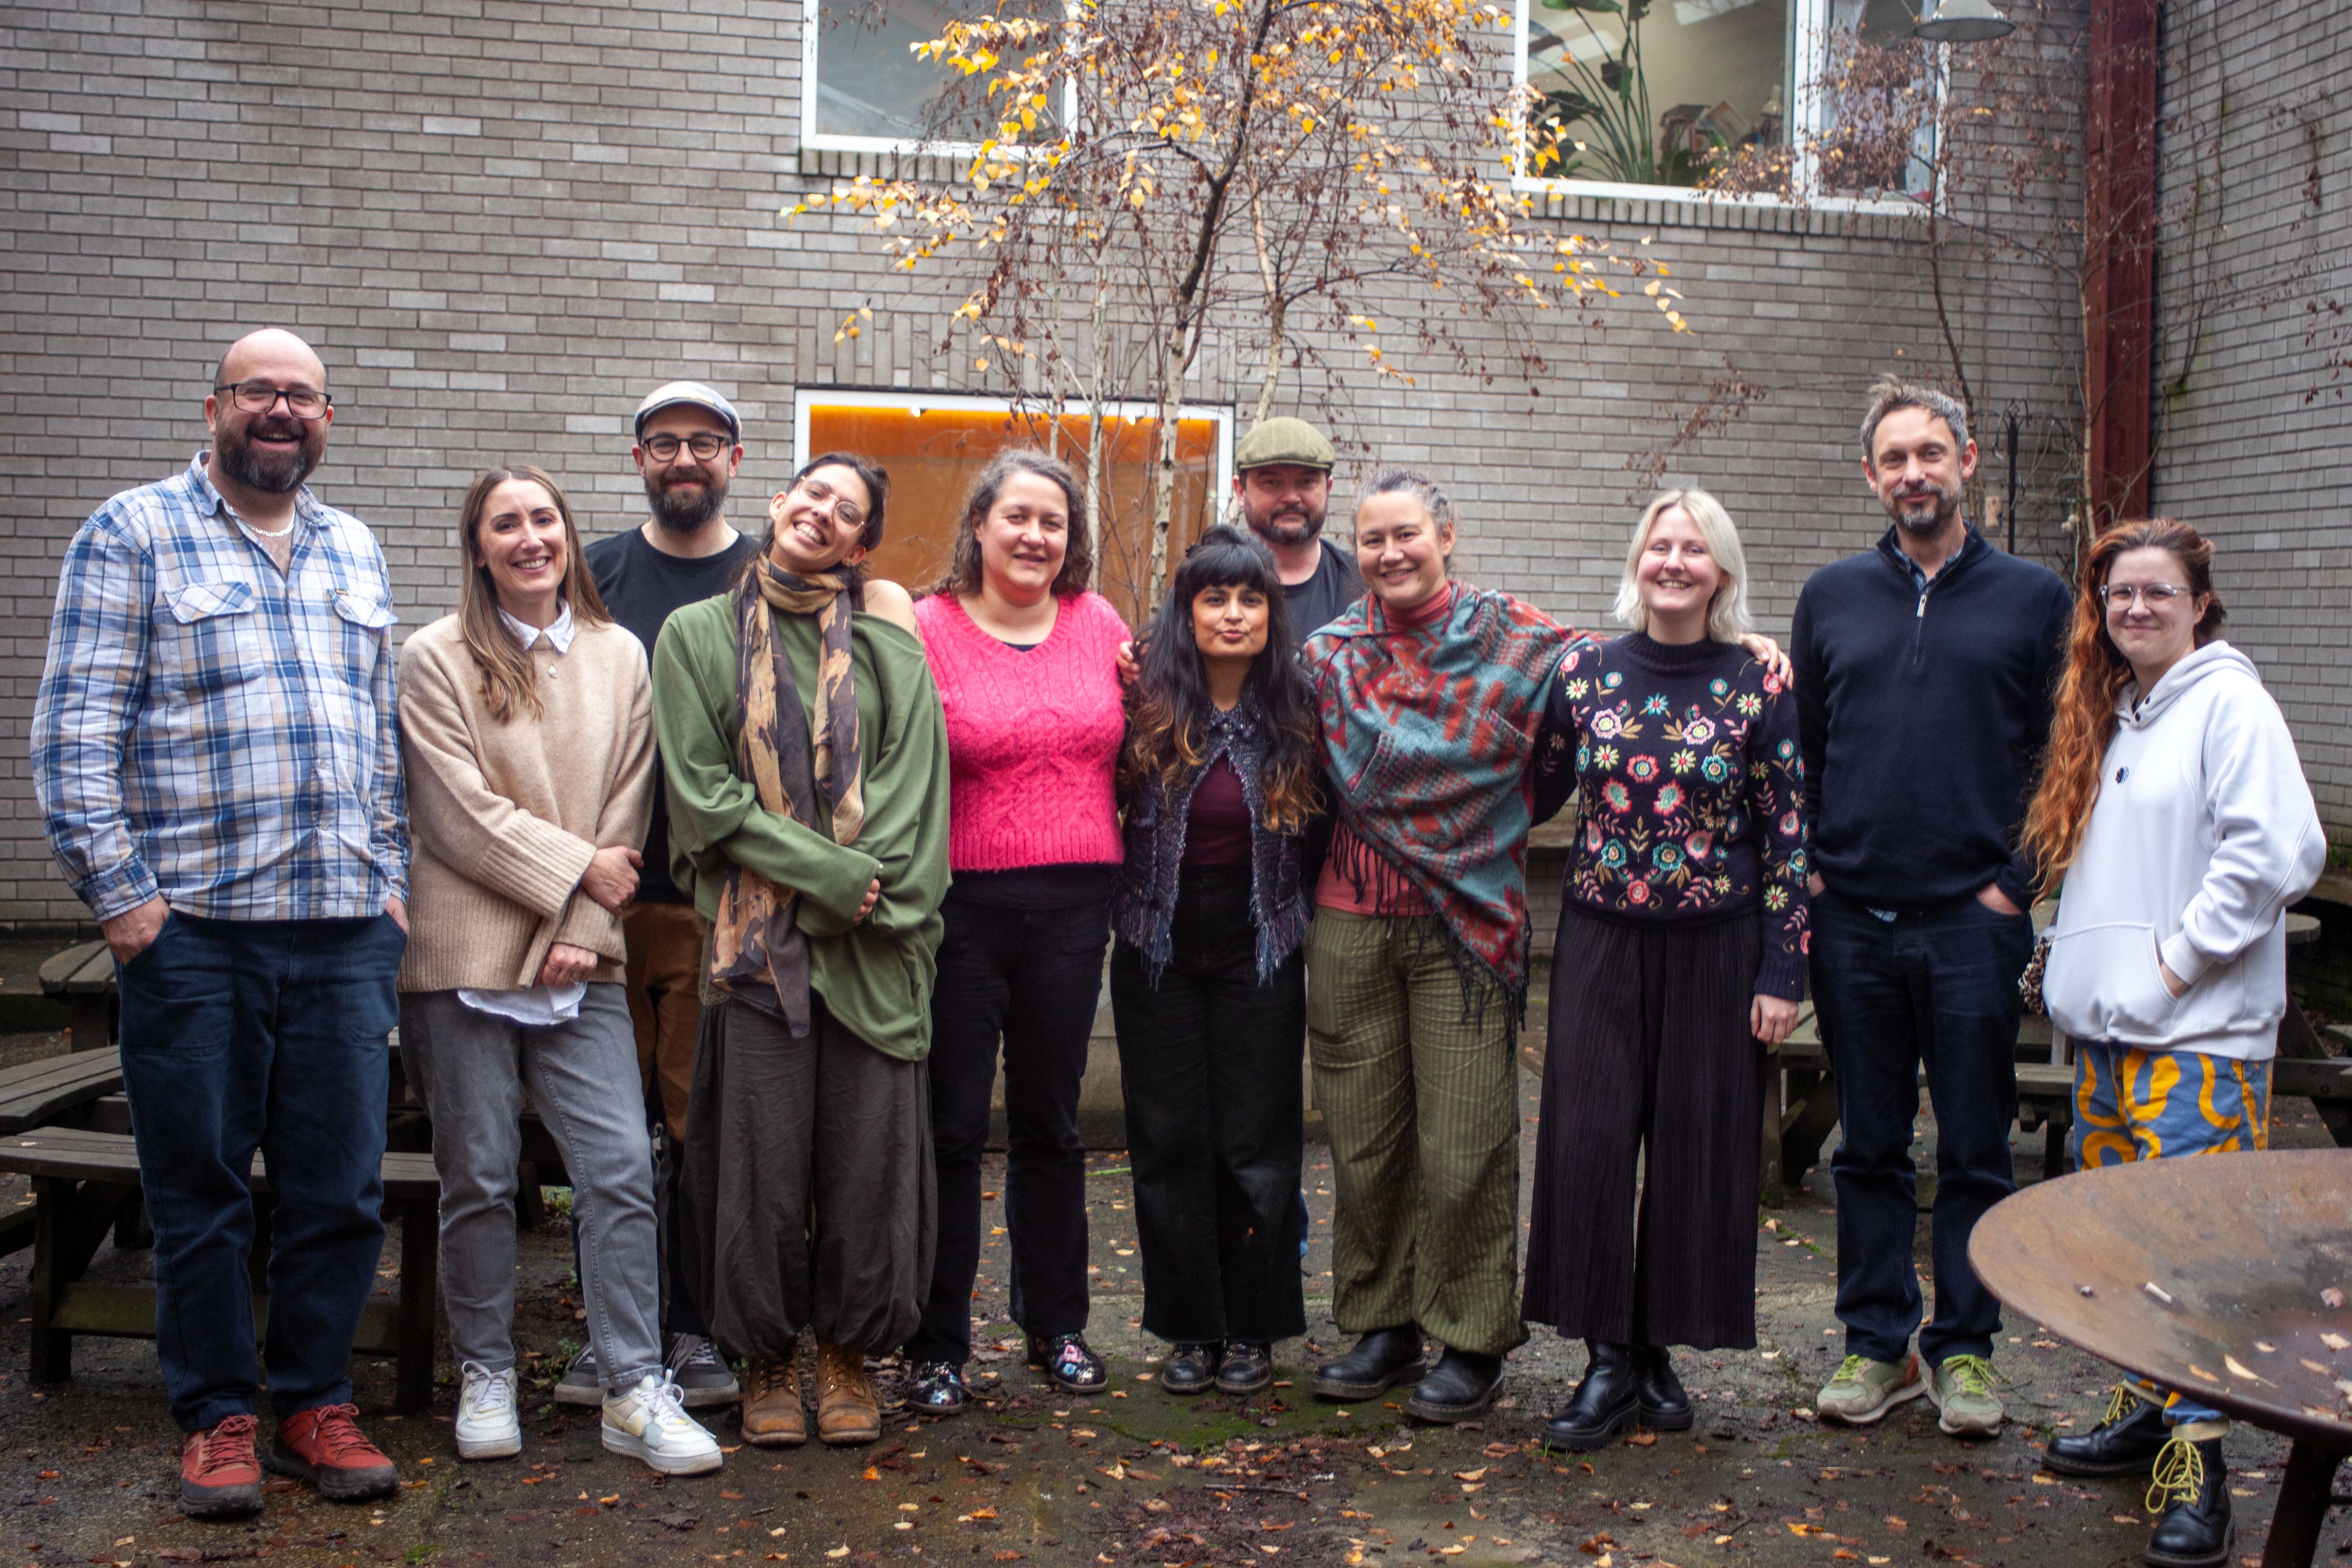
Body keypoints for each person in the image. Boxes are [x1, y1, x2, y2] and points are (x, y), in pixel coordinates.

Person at [32, 329, 409, 1517]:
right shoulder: (132, 532)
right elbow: (74, 733)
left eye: (302, 394)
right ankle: (218, 1417)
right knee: (198, 1192)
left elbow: (380, 736)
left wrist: (390, 877)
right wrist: (129, 905)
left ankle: (313, 1402)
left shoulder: (355, 547)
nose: (280, 410)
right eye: (259, 391)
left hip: (344, 931)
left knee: (339, 1190)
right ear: (215, 407)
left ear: (328, 418)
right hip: (197, 932)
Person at [396, 465, 722, 1476]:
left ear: (570, 536)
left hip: (580, 959)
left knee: (620, 1171)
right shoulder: (433, 657)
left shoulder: (621, 653)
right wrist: (581, 874)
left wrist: (588, 917)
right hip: (460, 960)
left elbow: (626, 806)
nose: (530, 537)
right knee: (481, 1178)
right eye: (507, 524)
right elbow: (455, 816)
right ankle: (487, 1372)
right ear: (478, 546)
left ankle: (632, 1382)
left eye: (544, 519)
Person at [2022, 519, 2321, 1568]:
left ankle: (2199, 1466)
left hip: (2196, 1040)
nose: (2135, 610)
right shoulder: (2121, 712)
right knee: (2126, 1253)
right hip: (2109, 1041)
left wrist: (2171, 969)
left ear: (2199, 603)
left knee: (2195, 1260)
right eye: (2117, 596)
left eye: (2156, 593)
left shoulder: (2229, 704)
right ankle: (2146, 1409)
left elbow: (2278, 852)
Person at [1793, 374, 2074, 1438]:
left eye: (1930, 452)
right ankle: (1876, 1347)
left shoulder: (2035, 600)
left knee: (1972, 1145)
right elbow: (1805, 749)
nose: (1914, 472)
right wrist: (1816, 870)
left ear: (1965, 466)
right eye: (1893, 458)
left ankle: (1962, 1351)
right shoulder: (1830, 597)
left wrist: (2017, 882)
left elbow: (2064, 757)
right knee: (1865, 1145)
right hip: (1851, 917)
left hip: (1973, 919)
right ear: (1871, 477)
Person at [656, 454, 950, 1449]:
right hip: (754, 955)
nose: (824, 514)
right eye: (812, 494)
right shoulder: (696, 639)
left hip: (874, 951)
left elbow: (915, 811)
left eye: (849, 511)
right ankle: (770, 1354)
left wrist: (844, 901)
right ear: (778, 504)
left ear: (861, 545)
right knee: (758, 1163)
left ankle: (850, 1352)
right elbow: (704, 798)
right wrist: (826, 877)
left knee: (870, 1165)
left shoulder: (892, 656)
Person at [1523, 489, 1809, 1449]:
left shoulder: (1758, 680)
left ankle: (1658, 1350)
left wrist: (1783, 969)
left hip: (1719, 949)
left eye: (1696, 548)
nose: (1675, 561)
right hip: (1602, 939)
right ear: (1637, 560)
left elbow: (1788, 836)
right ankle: (1606, 1355)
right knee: (1591, 1141)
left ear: (1721, 570)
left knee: (1698, 1148)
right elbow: (1532, 783)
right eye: (1660, 544)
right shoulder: (1583, 672)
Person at [1298, 469, 1571, 1423]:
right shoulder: (1327, 656)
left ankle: (1468, 1334)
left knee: (1464, 1145)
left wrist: (1740, 640)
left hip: (1470, 921)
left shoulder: (1521, 640)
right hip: (1351, 921)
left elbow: (1616, 689)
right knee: (1367, 1143)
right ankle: (1382, 1322)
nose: (1389, 554)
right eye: (1371, 540)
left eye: (1407, 533)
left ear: (1446, 533)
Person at [904, 450, 1131, 1412]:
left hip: (1077, 906)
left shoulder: (1101, 623)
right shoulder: (924, 626)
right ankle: (937, 1340)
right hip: (961, 907)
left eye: (1054, 521)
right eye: (1019, 517)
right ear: (982, 526)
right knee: (952, 1123)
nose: (1036, 535)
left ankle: (1057, 1325)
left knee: (1051, 1119)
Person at [565, 380, 762, 1412]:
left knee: (698, 1133)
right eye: (662, 443)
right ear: (637, 456)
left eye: (703, 442)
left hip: (717, 902)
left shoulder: (769, 575)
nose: (683, 459)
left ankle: (691, 1330)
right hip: (599, 895)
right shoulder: (590, 572)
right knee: (606, 1135)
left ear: (735, 455)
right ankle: (607, 1335)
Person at [1110, 526, 1323, 1397]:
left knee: (1255, 1142)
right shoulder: (1143, 702)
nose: (1232, 614)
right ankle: (1190, 1326)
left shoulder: (1302, 708)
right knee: (1169, 1139)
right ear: (1187, 609)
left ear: (1271, 613)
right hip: (1156, 945)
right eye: (1214, 597)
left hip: (1259, 946)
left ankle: (1258, 1325)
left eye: (1250, 599)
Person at [1229, 417, 1357, 637]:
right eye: (1272, 483)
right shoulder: (1209, 587)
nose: (1291, 498)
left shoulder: (1364, 586)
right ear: (1241, 492)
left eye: (1306, 482)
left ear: (1328, 488)